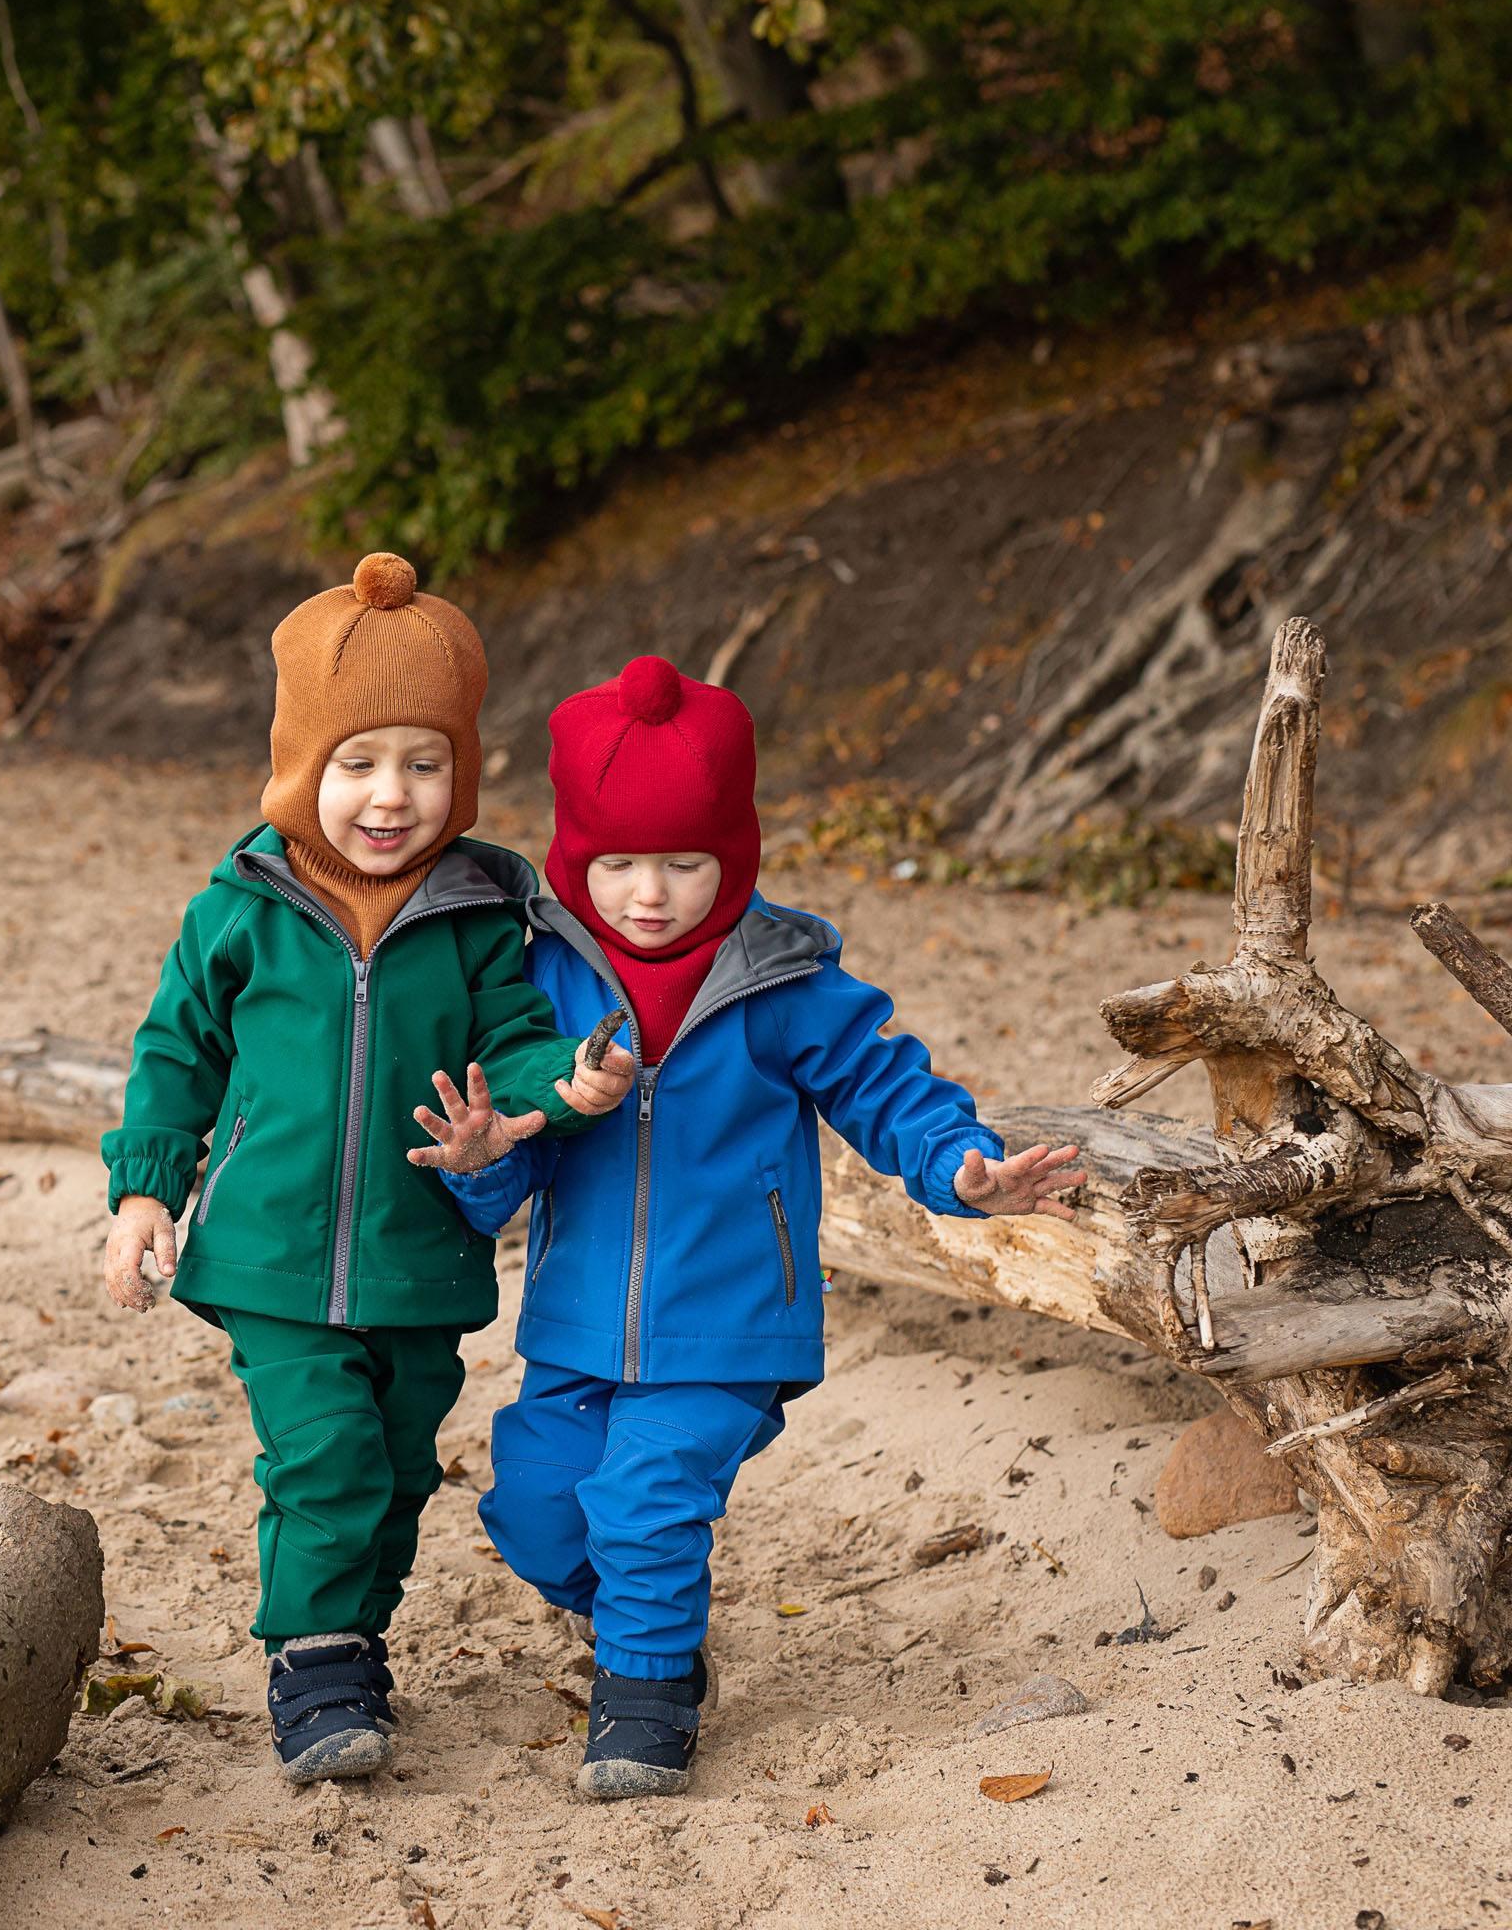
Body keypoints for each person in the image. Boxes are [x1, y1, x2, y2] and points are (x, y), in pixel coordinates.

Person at [414, 654, 1083, 1799]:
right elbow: (503, 1139)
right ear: (577, 858)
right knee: (534, 1502)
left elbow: (887, 1089)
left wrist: (957, 1166)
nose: (649, 891)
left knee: (645, 1499)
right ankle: (636, 1609)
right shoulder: (542, 981)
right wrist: (483, 1160)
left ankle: (646, 1692)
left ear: (734, 851)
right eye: (619, 862)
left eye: (684, 861)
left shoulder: (781, 981)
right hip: (574, 1316)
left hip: (728, 1318)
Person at [99, 553, 633, 1785]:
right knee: (322, 1451)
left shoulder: (480, 912)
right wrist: (143, 1190)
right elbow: (174, 1050)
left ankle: (355, 1629)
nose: (389, 796)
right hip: (266, 1251)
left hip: (417, 1252)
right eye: (357, 764)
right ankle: (312, 1650)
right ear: (301, 765)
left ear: (460, 772)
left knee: (394, 1461)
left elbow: (517, 1040)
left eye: (423, 763)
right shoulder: (241, 906)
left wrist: (570, 1082)